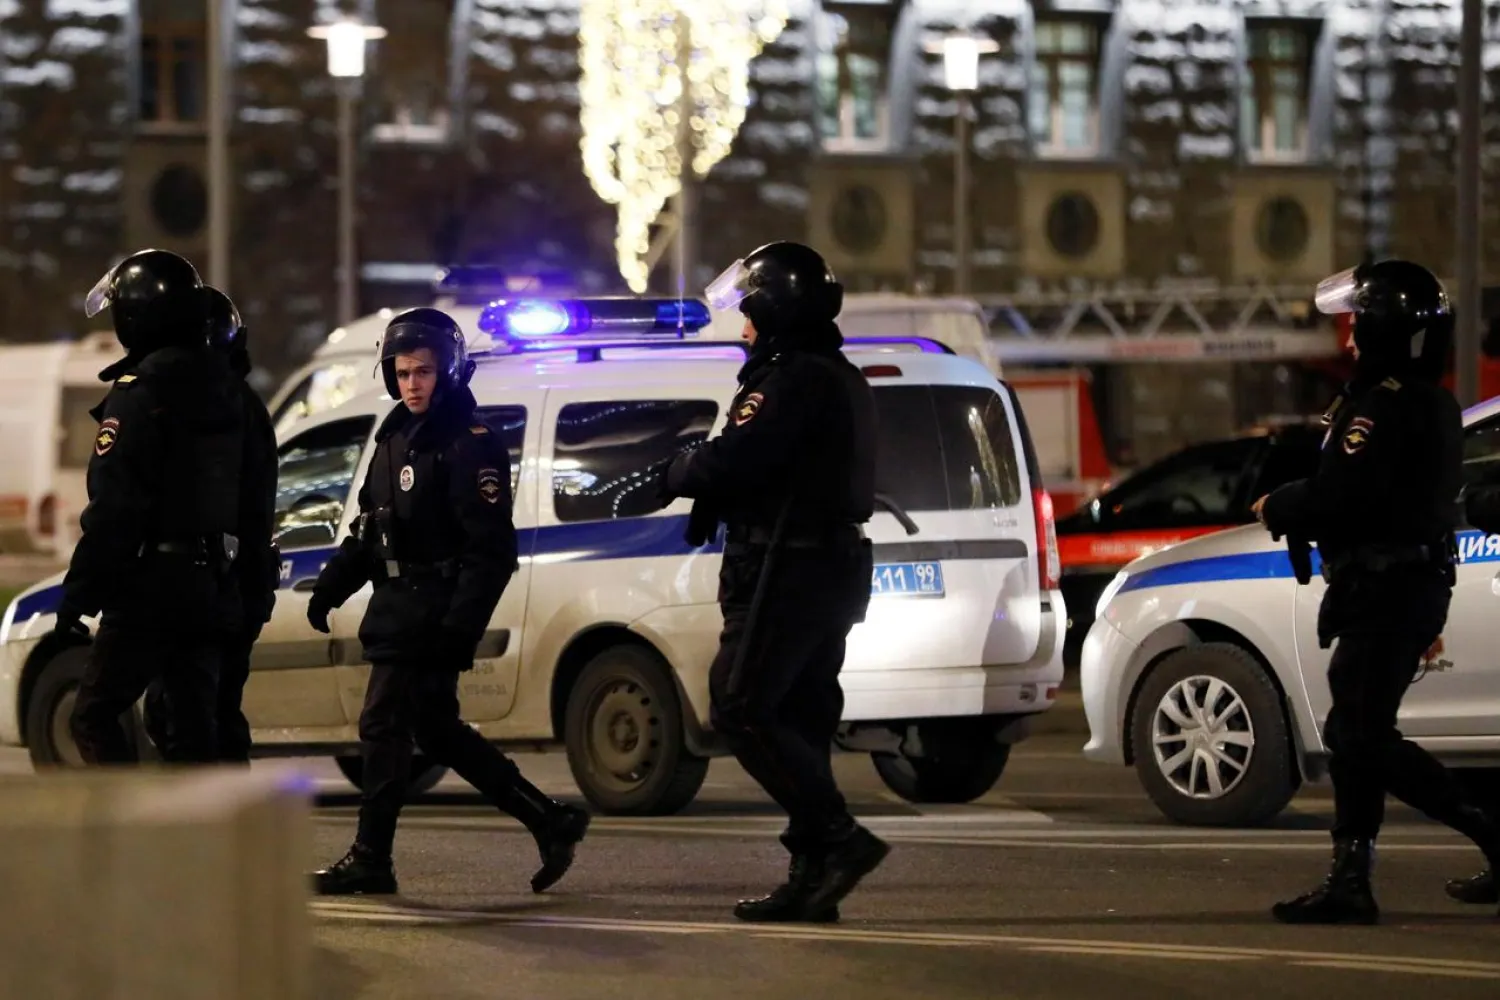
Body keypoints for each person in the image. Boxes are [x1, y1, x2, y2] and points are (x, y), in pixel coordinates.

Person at [307, 307, 589, 896]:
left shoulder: (469, 443)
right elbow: (371, 528)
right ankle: (549, 819)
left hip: (432, 613)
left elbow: (490, 553)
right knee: (435, 730)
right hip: (397, 606)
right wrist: (334, 584)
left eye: (424, 373)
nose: (412, 384)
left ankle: (370, 858)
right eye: (403, 372)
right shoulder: (393, 435)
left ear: (451, 373)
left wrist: (460, 631)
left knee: (382, 725)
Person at [1253, 258, 1500, 923]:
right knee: (1357, 732)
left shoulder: (1387, 405)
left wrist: (1284, 504)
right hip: (1394, 587)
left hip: (1387, 588)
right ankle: (1350, 877)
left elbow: (1347, 494)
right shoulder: (1421, 400)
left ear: (1383, 327)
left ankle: (1482, 832)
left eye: (1359, 325)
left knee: (1357, 734)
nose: (1351, 338)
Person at [654, 241, 886, 923]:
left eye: (750, 311)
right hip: (825, 567)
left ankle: (838, 840)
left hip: (788, 568)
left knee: (741, 704)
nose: (744, 325)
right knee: (799, 719)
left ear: (776, 310)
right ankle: (812, 876)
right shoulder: (834, 374)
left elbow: (736, 461)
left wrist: (680, 468)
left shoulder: (789, 379)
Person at [61, 249, 247, 764]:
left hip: (151, 585)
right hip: (208, 581)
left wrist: (79, 594)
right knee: (193, 733)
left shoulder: (139, 391)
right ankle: (211, 844)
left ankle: (128, 839)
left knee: (93, 715)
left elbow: (115, 508)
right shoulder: (223, 388)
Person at [142, 287, 279, 763]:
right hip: (238, 584)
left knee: (191, 720)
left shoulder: (213, 406)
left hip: (218, 584)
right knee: (216, 715)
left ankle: (220, 830)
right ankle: (232, 829)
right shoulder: (242, 403)